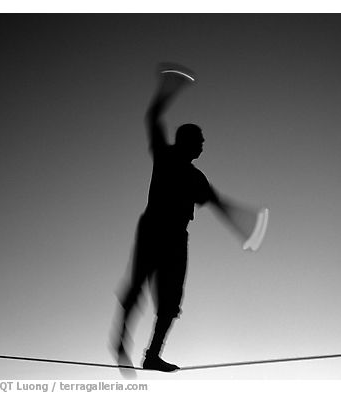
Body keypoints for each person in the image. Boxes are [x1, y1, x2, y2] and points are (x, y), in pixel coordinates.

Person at [112, 64, 219, 373]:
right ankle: (120, 339)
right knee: (139, 286)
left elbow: (215, 201)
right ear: (185, 141)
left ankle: (151, 356)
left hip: (176, 238)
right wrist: (167, 88)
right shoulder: (167, 155)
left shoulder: (198, 178)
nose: (202, 145)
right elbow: (152, 119)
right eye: (198, 140)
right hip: (155, 229)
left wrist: (244, 224)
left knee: (170, 302)